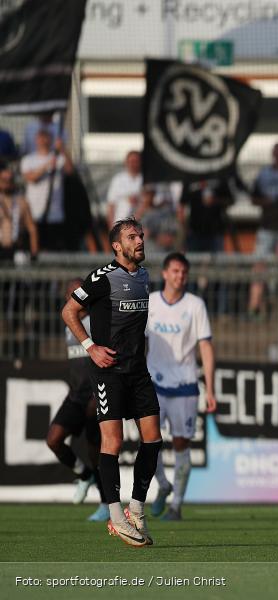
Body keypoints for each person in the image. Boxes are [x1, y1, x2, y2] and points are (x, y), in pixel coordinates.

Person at [60, 218, 161, 547]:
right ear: (117, 246)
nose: (140, 240)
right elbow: (69, 311)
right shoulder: (102, 277)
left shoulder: (144, 276)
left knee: (153, 439)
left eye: (141, 235)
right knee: (112, 443)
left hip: (138, 371)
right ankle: (116, 518)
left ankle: (136, 509)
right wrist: (90, 347)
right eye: (133, 236)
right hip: (109, 372)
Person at [146, 252, 217, 521]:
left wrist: (210, 389)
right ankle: (163, 485)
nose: (180, 276)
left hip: (186, 384)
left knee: (181, 444)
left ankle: (176, 505)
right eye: (175, 271)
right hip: (153, 382)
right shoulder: (151, 303)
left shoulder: (195, 306)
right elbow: (139, 343)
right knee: (148, 441)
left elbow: (206, 347)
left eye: (183, 272)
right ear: (165, 274)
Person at [46, 280, 108, 522]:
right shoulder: (68, 325)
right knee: (53, 440)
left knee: (97, 451)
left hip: (96, 394)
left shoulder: (97, 321)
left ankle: (105, 504)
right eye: (71, 295)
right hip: (75, 396)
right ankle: (83, 475)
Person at [20, 130, 73, 250]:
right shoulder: (28, 160)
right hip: (34, 212)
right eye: (40, 137)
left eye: (46, 137)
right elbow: (31, 178)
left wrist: (63, 149)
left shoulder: (59, 158)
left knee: (53, 247)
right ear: (36, 140)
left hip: (55, 213)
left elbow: (70, 171)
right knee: (35, 245)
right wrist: (47, 165)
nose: (43, 140)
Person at [180, 179, 234, 253]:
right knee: (194, 262)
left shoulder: (219, 178)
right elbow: (183, 202)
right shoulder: (190, 179)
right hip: (195, 231)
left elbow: (230, 200)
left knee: (217, 262)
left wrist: (215, 200)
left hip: (215, 231)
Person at [0, 164, 38, 259]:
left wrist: (34, 253)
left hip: (16, 248)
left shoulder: (22, 202)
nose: (7, 183)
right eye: (4, 180)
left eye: (10, 180)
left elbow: (32, 229)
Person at [105, 151, 143, 229]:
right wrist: (111, 227)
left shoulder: (145, 180)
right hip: (120, 225)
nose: (133, 164)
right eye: (131, 161)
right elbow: (111, 205)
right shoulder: (118, 179)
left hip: (141, 226)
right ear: (126, 162)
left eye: (136, 161)